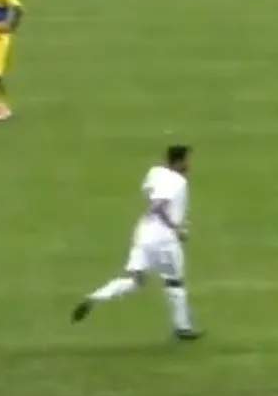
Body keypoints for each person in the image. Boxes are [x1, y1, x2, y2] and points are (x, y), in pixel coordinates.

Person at [71, 145, 202, 341]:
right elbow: (159, 205)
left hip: (144, 232)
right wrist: (176, 228)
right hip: (164, 239)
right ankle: (183, 328)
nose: (189, 165)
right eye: (186, 160)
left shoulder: (155, 172)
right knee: (174, 281)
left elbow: (148, 193)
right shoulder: (177, 182)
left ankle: (96, 297)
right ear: (178, 162)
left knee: (134, 280)